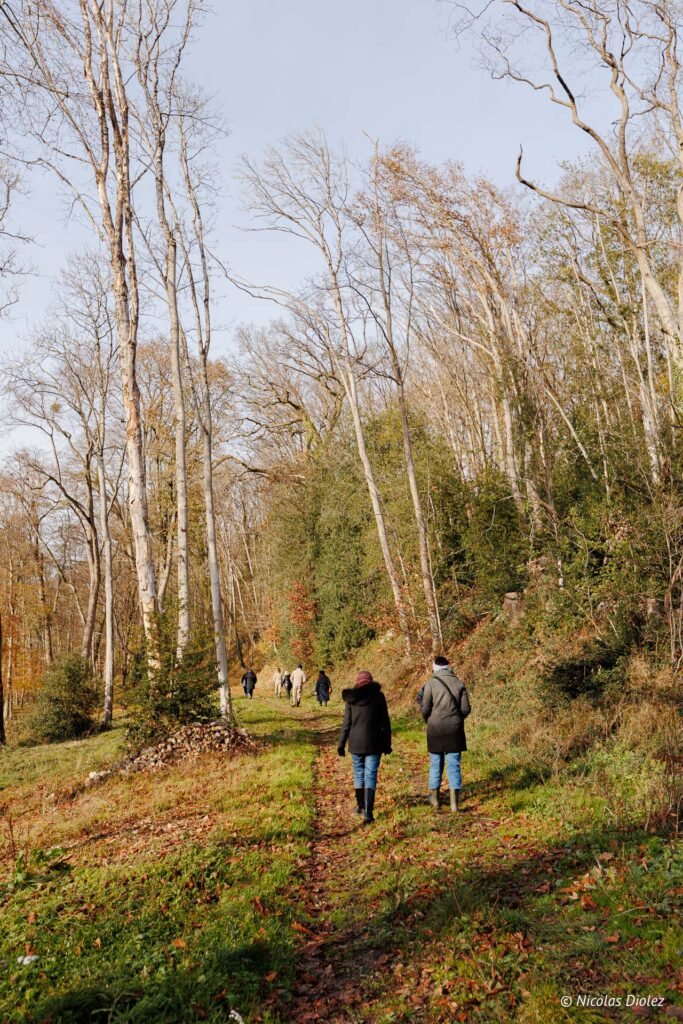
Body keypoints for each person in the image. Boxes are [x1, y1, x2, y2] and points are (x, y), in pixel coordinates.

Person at [337, 670, 392, 825]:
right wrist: (387, 744)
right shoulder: (379, 697)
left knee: (359, 774)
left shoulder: (351, 700)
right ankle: (368, 813)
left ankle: (360, 806)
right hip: (375, 743)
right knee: (371, 775)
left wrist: (341, 744)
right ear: (371, 681)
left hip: (355, 743)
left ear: (357, 682)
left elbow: (346, 724)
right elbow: (385, 723)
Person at [420, 655, 471, 812]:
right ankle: (454, 804)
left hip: (435, 729)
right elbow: (466, 709)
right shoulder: (459, 683)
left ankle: (435, 799)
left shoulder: (430, 684)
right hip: (454, 729)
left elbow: (425, 708)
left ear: (434, 667)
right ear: (448, 667)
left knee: (436, 763)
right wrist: (456, 719)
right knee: (453, 764)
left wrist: (428, 719)